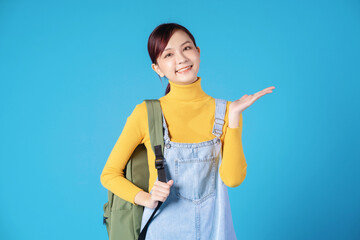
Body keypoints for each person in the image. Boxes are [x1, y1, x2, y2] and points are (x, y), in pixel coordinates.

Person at [100, 23, 275, 239]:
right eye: (168, 54)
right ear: (157, 68)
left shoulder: (226, 110)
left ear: (198, 52)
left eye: (187, 48)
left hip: (215, 230)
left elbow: (233, 179)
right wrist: (146, 198)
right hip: (162, 230)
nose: (181, 59)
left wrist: (235, 116)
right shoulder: (146, 114)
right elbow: (109, 175)